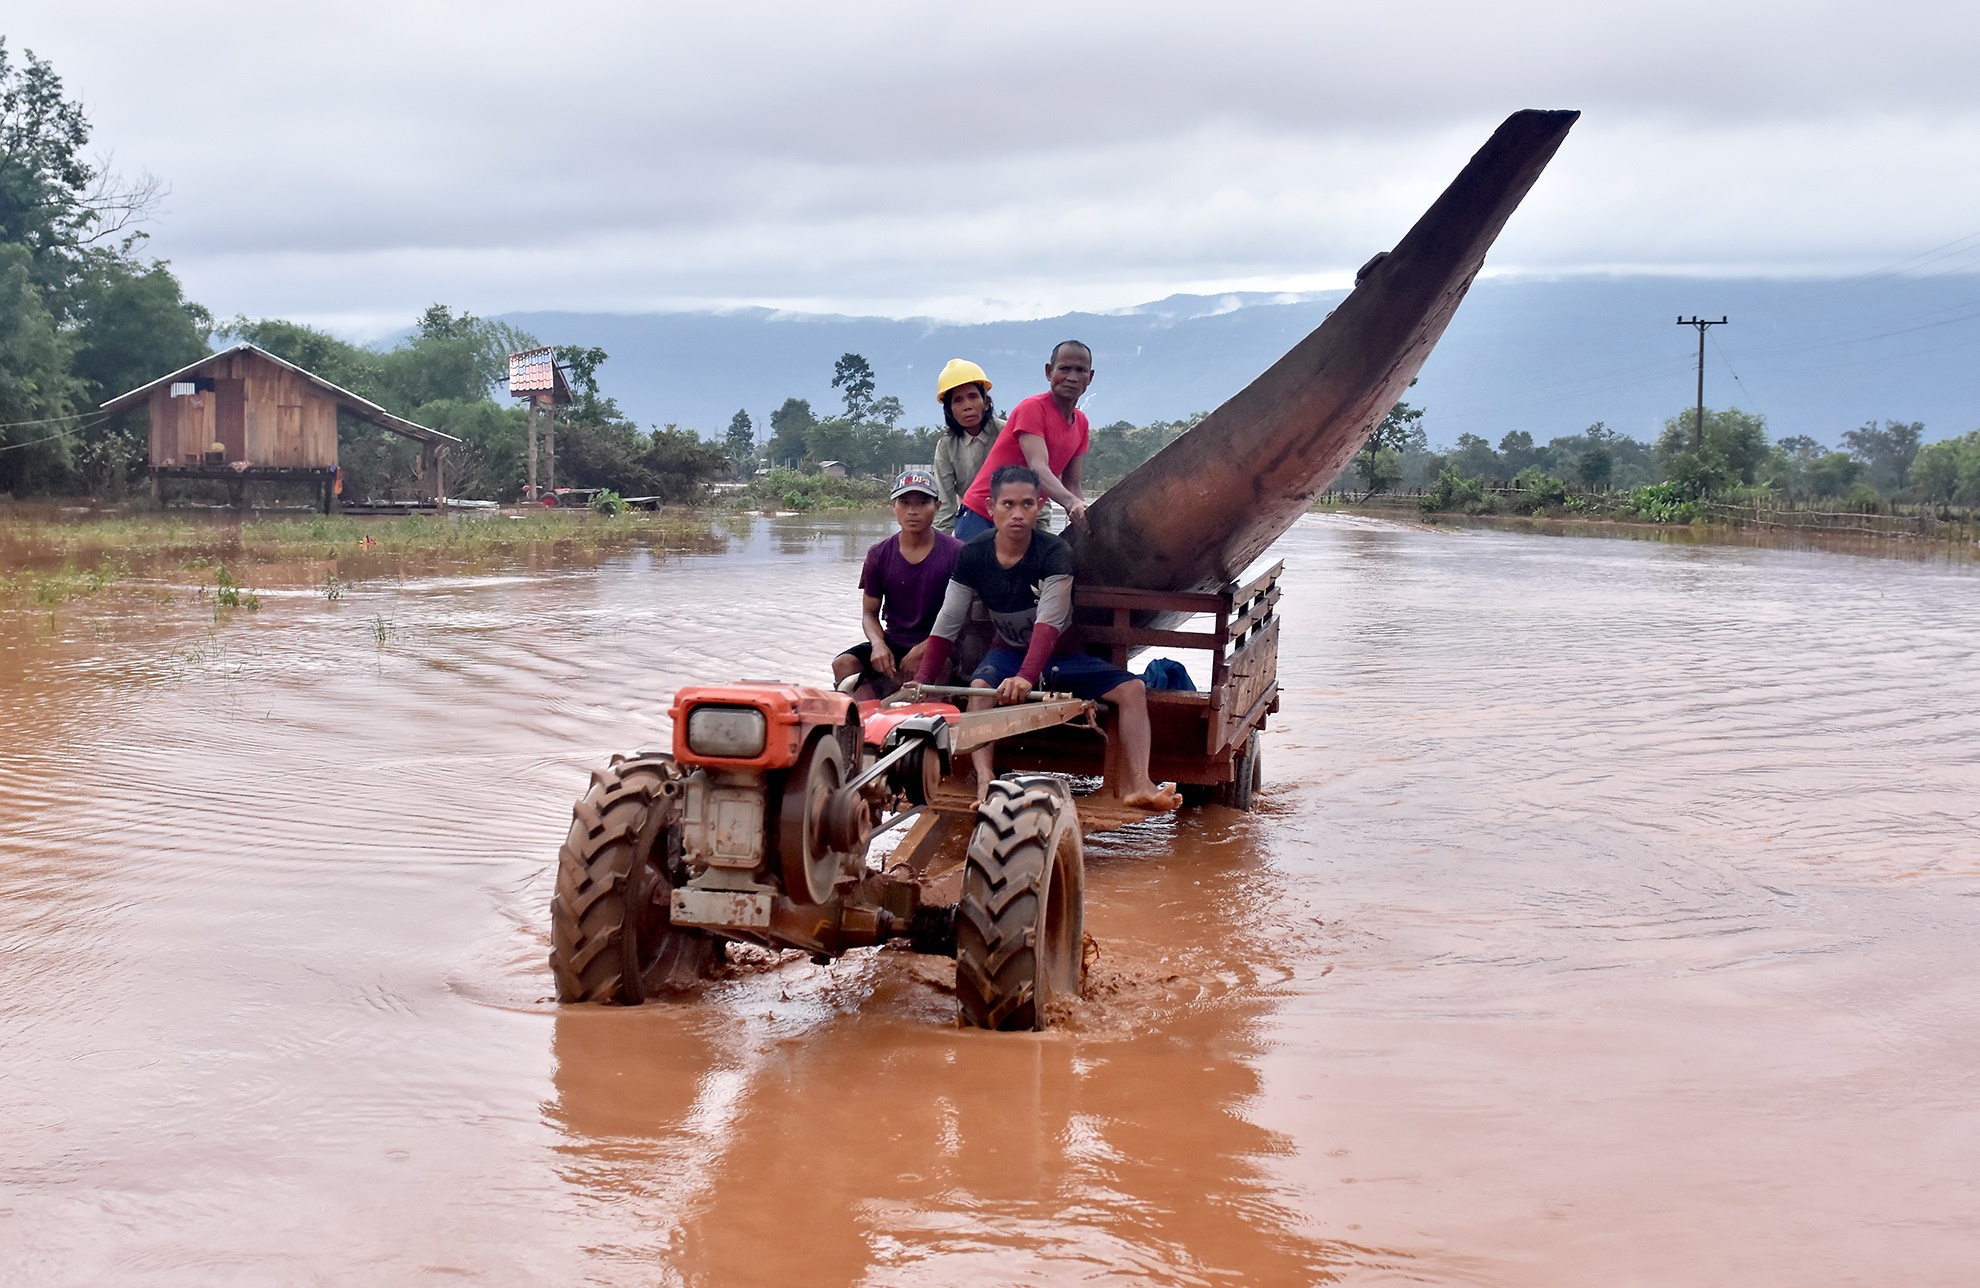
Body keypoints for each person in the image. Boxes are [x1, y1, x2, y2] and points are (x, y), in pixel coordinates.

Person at [915, 464, 1182, 811]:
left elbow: (1049, 623)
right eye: (1008, 504)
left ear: (1040, 506)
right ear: (990, 507)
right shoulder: (973, 554)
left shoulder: (1054, 552)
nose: (1017, 514)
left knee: (1133, 690)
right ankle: (984, 778)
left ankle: (1140, 784)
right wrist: (921, 681)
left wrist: (1026, 678)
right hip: (1008, 652)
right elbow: (949, 620)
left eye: (1027, 504)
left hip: (1062, 655)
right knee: (980, 690)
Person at [832, 467, 963, 701]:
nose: (912, 511)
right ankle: (865, 715)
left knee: (937, 665)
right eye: (905, 502)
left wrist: (923, 649)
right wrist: (878, 644)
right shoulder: (878, 554)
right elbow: (869, 613)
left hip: (939, 644)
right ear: (894, 506)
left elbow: (965, 618)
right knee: (843, 664)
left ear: (937, 506)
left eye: (922, 502)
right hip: (893, 641)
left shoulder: (956, 552)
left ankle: (928, 715)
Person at [952, 340, 1095, 540]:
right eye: (1064, 369)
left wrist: (1084, 516)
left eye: (1080, 370)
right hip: (982, 514)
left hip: (1020, 519)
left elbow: (1072, 484)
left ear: (1090, 377)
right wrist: (1071, 503)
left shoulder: (1081, 423)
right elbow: (1037, 466)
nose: (1072, 377)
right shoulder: (1033, 408)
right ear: (1049, 372)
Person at [930, 358, 1001, 535]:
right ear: (949, 410)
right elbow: (945, 506)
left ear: (986, 402)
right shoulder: (946, 446)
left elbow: (1036, 482)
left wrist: (1042, 530)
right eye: (958, 400)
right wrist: (940, 545)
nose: (967, 406)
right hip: (973, 516)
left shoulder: (1007, 433)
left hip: (1010, 512)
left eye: (973, 397)